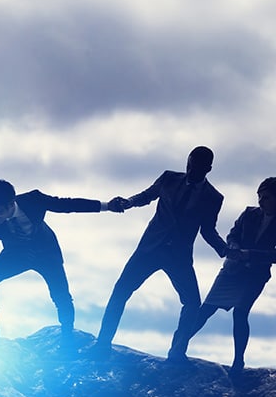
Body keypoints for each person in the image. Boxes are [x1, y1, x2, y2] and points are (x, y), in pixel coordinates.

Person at [0, 178, 117, 345]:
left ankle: (67, 334)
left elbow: (68, 205)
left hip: (46, 252)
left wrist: (108, 205)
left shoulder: (34, 200)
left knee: (60, 294)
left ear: (11, 203)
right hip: (15, 254)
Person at [87, 146, 229, 356]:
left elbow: (208, 230)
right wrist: (128, 202)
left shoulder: (214, 198)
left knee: (192, 303)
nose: (190, 170)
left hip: (179, 257)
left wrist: (224, 249)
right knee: (121, 291)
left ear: (208, 168)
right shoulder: (169, 178)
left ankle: (177, 353)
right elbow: (147, 195)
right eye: (189, 164)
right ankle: (102, 344)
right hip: (150, 249)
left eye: (197, 167)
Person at [167, 177, 276, 375]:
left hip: (255, 276)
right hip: (232, 270)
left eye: (266, 197)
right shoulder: (249, 213)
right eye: (259, 196)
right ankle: (177, 348)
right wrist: (234, 248)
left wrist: (249, 254)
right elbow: (232, 235)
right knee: (206, 310)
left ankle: (238, 363)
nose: (261, 200)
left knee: (241, 313)